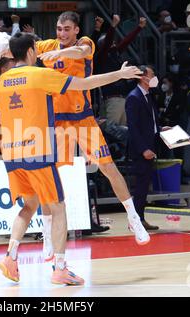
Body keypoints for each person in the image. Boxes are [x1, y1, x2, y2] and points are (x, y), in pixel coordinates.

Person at [0, 32, 142, 285]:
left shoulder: (1, 82)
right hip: (37, 151)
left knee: (28, 207)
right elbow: (85, 84)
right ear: (31, 52)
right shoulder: (40, 75)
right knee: (58, 207)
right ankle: (60, 268)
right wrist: (119, 74)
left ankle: (10, 257)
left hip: (10, 152)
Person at [30, 11, 150, 260]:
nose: (61, 33)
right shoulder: (45, 45)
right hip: (56, 121)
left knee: (109, 167)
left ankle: (133, 217)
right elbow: (20, 47)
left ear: (76, 30)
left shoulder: (86, 43)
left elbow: (81, 53)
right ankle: (47, 232)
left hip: (83, 118)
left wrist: (59, 53)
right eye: (58, 29)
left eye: (66, 29)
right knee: (49, 176)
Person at [126, 66, 168, 231]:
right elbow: (133, 127)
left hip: (151, 145)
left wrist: (160, 128)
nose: (155, 77)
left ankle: (139, 219)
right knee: (141, 186)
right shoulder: (133, 97)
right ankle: (136, 221)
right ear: (143, 77)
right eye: (152, 75)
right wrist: (144, 149)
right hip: (141, 150)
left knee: (144, 186)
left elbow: (149, 121)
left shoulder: (147, 96)